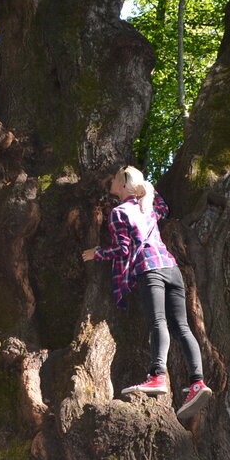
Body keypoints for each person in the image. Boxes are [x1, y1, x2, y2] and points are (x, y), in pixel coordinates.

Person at [82, 165, 212, 424]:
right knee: (182, 326)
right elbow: (164, 208)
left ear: (121, 185)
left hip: (149, 269)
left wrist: (96, 253)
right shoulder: (149, 205)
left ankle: (157, 376)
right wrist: (147, 189)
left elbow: (123, 249)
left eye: (115, 179)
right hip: (172, 268)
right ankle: (197, 382)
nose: (111, 183)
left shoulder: (119, 212)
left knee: (158, 322)